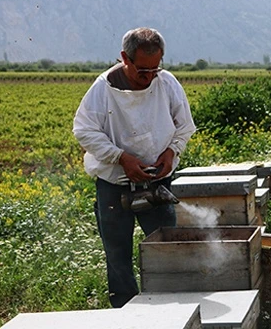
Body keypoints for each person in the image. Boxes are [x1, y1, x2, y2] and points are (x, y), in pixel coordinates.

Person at [72, 27, 196, 308]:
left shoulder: (167, 83)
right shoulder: (102, 89)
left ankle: (170, 309)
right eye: (142, 70)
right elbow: (84, 130)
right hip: (114, 185)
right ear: (124, 59)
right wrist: (121, 158)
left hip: (158, 182)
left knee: (165, 249)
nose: (149, 77)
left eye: (155, 69)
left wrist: (171, 151)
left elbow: (184, 126)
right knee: (117, 255)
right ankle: (126, 312)